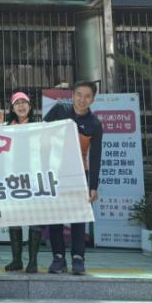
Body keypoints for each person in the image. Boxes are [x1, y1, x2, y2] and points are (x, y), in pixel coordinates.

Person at [43, 81, 102, 275]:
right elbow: (41, 133)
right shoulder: (60, 110)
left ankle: (78, 258)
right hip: (55, 172)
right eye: (79, 94)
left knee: (78, 217)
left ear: (93, 99)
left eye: (87, 96)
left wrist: (93, 186)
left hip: (80, 173)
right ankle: (58, 258)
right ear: (72, 95)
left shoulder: (94, 123)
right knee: (55, 216)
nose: (82, 99)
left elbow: (95, 157)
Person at [0, 91, 42, 273]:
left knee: (35, 220)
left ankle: (33, 261)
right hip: (13, 179)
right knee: (14, 220)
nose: (21, 106)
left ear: (30, 106)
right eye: (17, 103)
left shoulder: (39, 126)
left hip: (34, 178)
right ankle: (17, 260)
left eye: (24, 103)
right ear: (12, 108)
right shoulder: (7, 127)